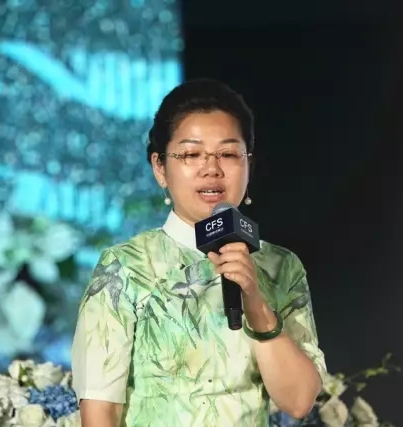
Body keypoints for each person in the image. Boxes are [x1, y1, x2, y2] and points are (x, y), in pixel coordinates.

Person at [70, 78, 328, 427]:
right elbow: (100, 409)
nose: (211, 169)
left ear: (249, 165)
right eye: (191, 154)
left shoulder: (280, 266)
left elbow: (298, 402)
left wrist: (254, 301)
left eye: (228, 154)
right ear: (160, 167)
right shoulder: (126, 267)